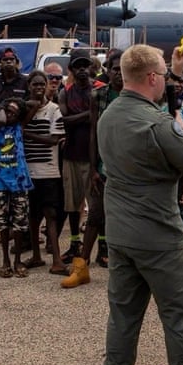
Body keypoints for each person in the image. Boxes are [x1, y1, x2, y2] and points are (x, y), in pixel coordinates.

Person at [97, 44, 183, 365]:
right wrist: (179, 126)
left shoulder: (109, 116)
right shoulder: (158, 124)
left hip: (120, 234)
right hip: (160, 236)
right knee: (181, 319)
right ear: (151, 78)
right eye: (162, 75)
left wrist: (173, 78)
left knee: (123, 320)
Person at [65, 50, 126, 288]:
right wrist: (93, 168)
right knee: (95, 215)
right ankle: (82, 267)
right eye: (114, 69)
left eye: (122, 69)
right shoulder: (99, 95)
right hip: (104, 166)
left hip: (130, 168)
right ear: (107, 71)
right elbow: (93, 133)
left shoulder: (137, 94)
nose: (118, 74)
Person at [22, 70, 66, 274]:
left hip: (48, 171)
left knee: (51, 214)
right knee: (32, 215)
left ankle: (57, 260)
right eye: (35, 84)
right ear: (29, 86)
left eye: (42, 84)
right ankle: (36, 256)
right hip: (28, 171)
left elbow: (54, 140)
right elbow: (16, 128)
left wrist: (26, 133)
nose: (39, 88)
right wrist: (29, 113)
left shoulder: (54, 109)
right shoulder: (23, 109)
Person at [58, 47, 96, 261]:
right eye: (77, 66)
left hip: (93, 156)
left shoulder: (98, 90)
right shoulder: (65, 92)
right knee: (72, 204)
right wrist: (88, 114)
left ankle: (102, 245)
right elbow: (63, 120)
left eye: (85, 65)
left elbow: (99, 120)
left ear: (90, 67)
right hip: (71, 154)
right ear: (71, 69)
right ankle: (74, 242)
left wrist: (78, 118)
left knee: (96, 204)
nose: (82, 70)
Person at [0, 98, 34, 277]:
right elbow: (0, 120)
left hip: (19, 181)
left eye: (14, 113)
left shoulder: (19, 127)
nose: (9, 115)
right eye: (7, 111)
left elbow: (34, 104)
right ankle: (5, 260)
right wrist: (2, 107)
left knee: (19, 222)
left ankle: (17, 260)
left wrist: (15, 107)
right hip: (0, 181)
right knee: (2, 222)